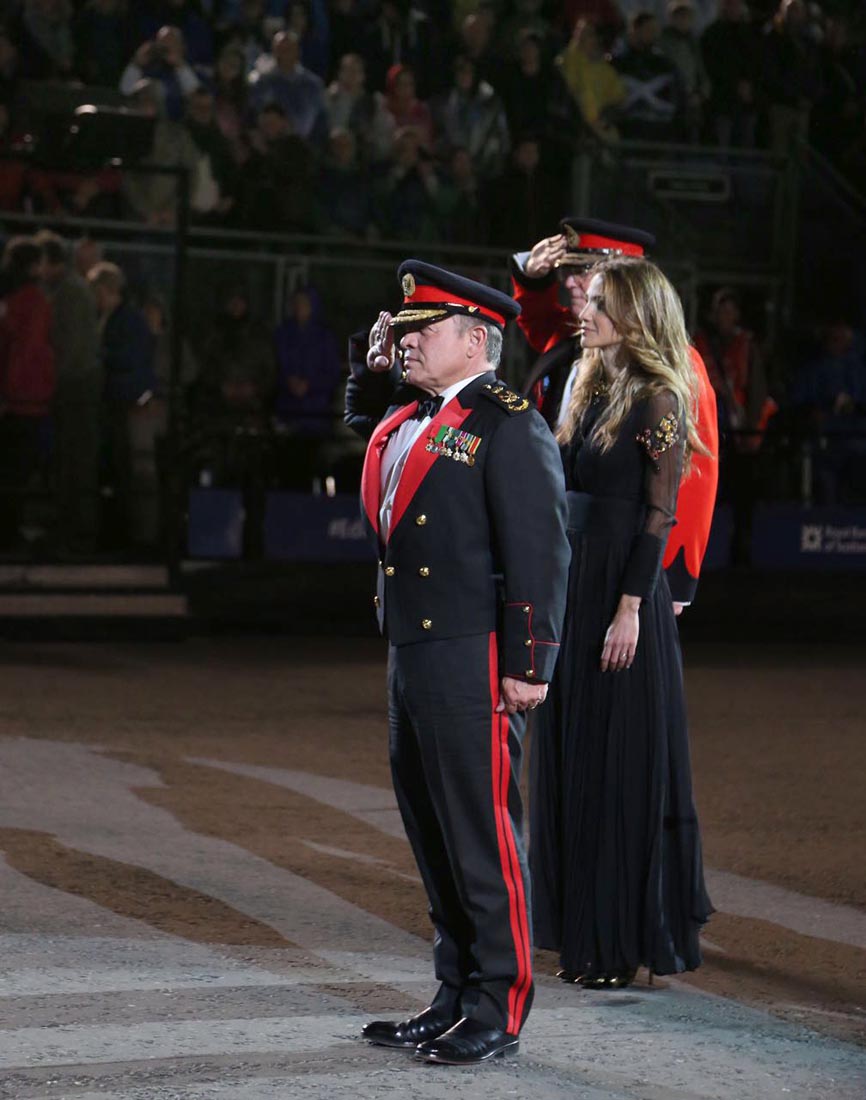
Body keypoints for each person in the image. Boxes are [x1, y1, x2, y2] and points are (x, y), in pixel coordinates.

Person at [346, 261, 569, 1065]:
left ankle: (498, 1005)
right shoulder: (414, 413)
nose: (404, 342)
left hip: (473, 653)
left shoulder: (508, 423)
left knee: (483, 837)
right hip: (415, 649)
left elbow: (540, 552)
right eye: (402, 330)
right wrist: (366, 365)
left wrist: (531, 660)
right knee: (432, 831)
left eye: (421, 330)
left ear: (476, 339)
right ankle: (454, 990)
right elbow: (363, 421)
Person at [530, 255, 713, 989]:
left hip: (619, 597)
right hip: (573, 583)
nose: (586, 311)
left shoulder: (662, 400)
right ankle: (579, 927)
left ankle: (614, 943)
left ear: (636, 316)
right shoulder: (583, 382)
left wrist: (632, 608)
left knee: (617, 767)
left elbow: (659, 515)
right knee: (571, 753)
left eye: (601, 303)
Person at [512, 217, 719, 606]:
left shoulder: (678, 365)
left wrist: (676, 571)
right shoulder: (579, 337)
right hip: (561, 538)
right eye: (567, 271)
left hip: (623, 552)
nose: (570, 282)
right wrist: (532, 277)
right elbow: (537, 320)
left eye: (584, 272)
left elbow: (692, 473)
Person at [37, 230, 101, 554]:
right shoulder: (68, 291)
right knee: (70, 459)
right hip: (75, 384)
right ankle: (72, 528)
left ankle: (77, 532)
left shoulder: (71, 293)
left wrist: (51, 380)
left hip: (76, 387)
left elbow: (72, 347)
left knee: (75, 459)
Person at [0, 236, 55, 549]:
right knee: (17, 471)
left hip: (13, 399)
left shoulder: (9, 298)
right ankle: (9, 534)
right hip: (26, 400)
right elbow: (28, 351)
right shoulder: (34, 301)